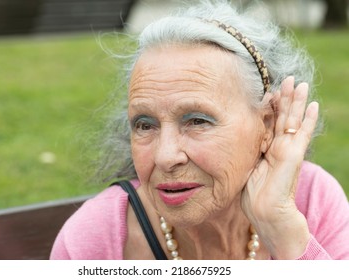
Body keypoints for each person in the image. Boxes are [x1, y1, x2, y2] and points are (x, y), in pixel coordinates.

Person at [50, 0, 349, 260]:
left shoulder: (312, 201)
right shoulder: (96, 241)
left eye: (197, 121)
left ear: (267, 124)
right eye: (145, 124)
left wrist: (285, 233)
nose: (166, 157)